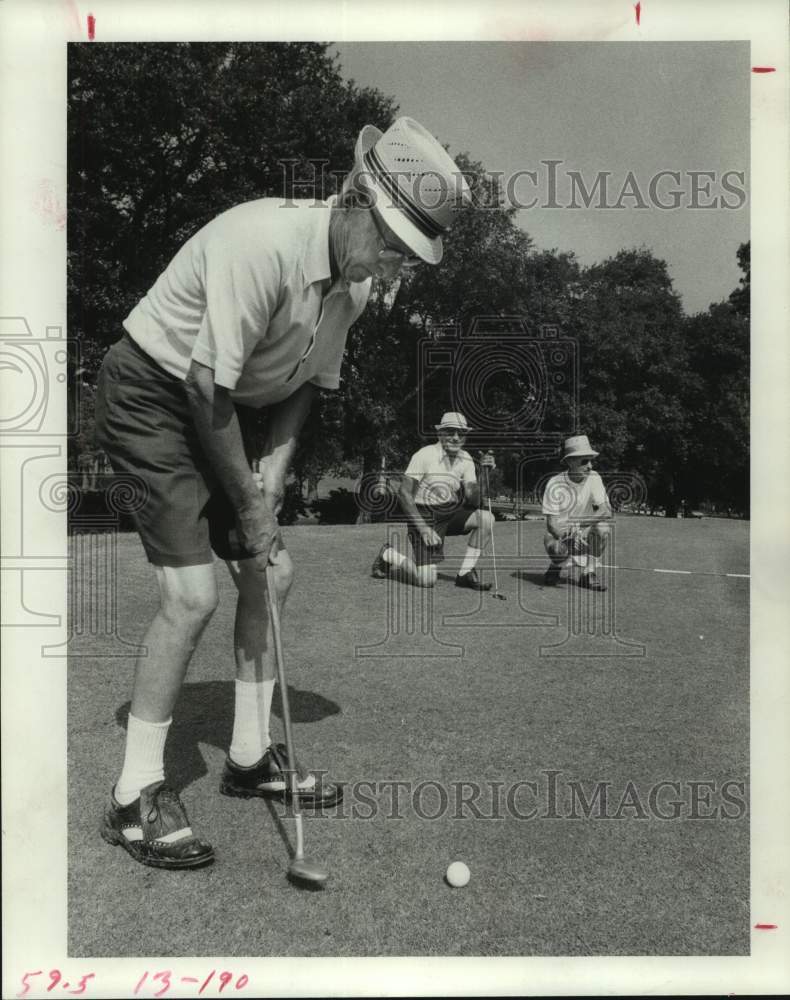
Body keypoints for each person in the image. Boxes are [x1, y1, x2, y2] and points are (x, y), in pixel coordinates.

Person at [94, 116, 470, 870]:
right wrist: (253, 505)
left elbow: (305, 386)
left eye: (408, 257)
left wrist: (271, 475)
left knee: (276, 574)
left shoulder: (354, 288)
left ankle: (247, 754)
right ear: (356, 198)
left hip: (226, 408)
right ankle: (133, 797)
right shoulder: (260, 243)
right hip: (153, 394)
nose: (395, 267)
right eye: (393, 245)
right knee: (192, 595)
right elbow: (205, 387)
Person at [370, 412, 495, 590]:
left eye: (461, 433)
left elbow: (473, 500)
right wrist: (423, 528)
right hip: (423, 515)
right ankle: (388, 555)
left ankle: (465, 574)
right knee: (427, 580)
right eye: (450, 432)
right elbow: (404, 493)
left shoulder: (466, 458)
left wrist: (484, 472)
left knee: (486, 518)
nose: (456, 437)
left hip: (449, 513)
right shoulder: (424, 455)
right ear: (440, 434)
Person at [541, 434, 612, 590]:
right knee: (557, 550)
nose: (590, 466)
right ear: (570, 462)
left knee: (603, 528)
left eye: (591, 460)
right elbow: (551, 524)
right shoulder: (555, 483)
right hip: (561, 534)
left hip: (584, 531)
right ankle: (556, 565)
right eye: (584, 461)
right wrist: (567, 536)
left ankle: (588, 573)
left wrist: (580, 526)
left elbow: (606, 510)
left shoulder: (594, 477)